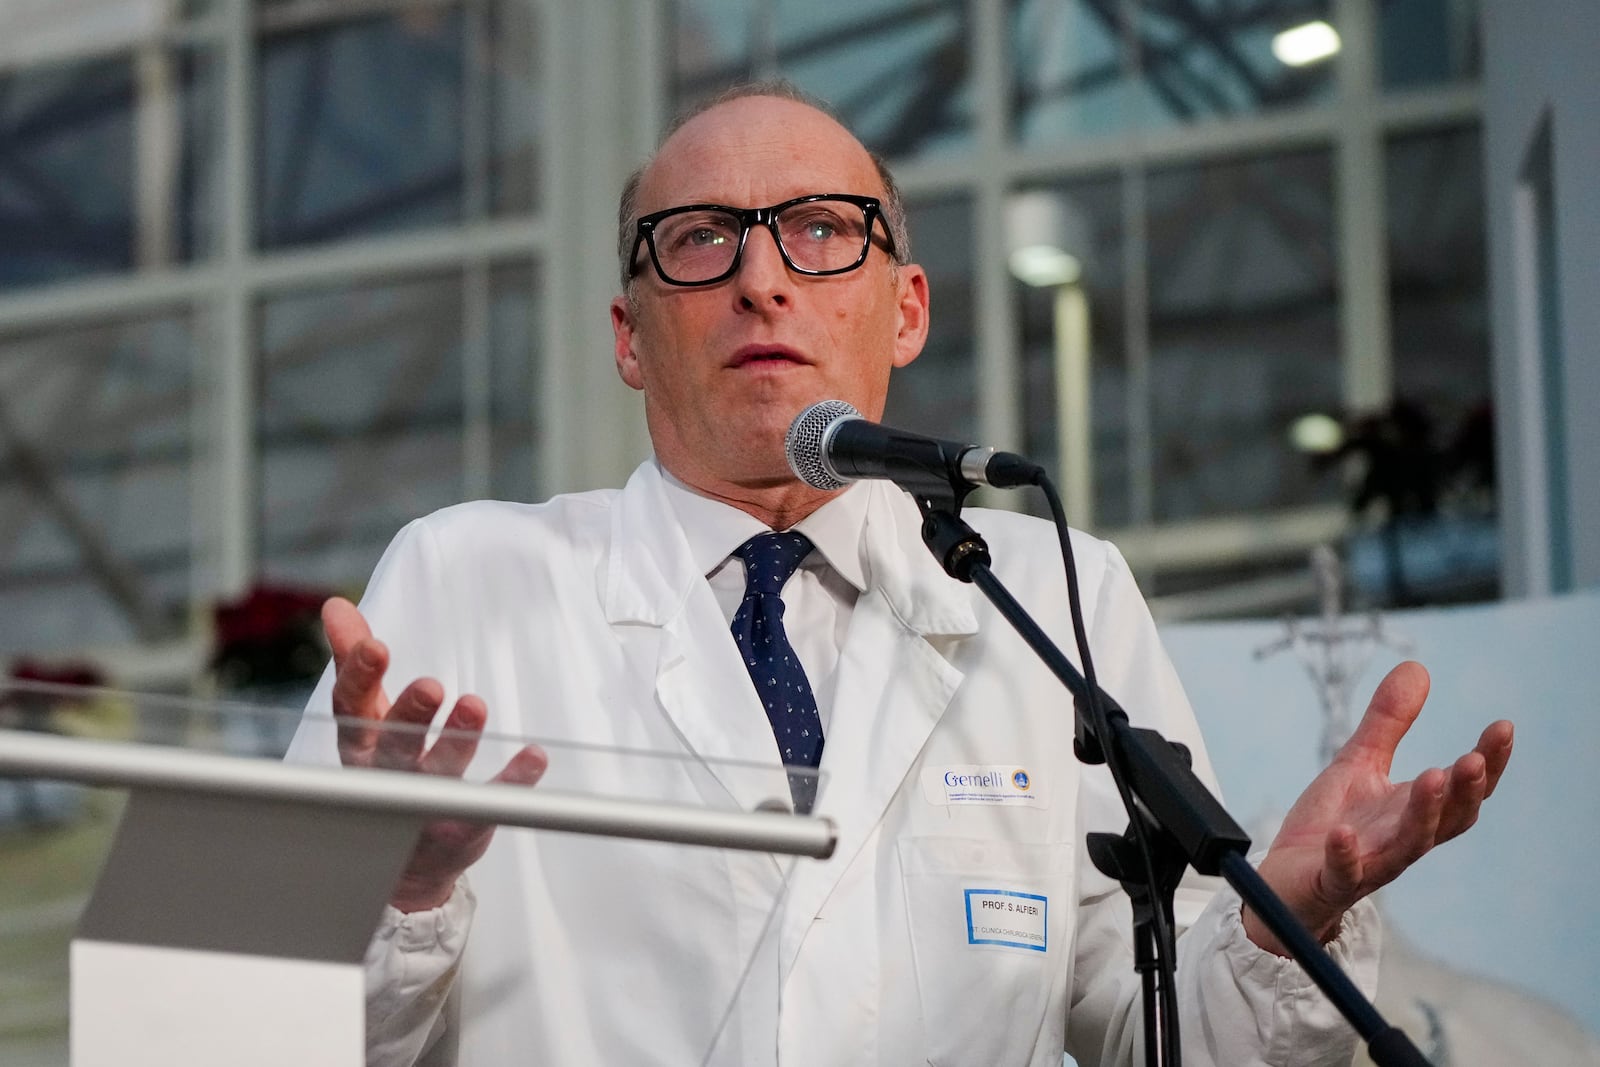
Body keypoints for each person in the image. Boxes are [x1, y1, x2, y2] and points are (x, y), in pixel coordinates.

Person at [293, 83, 1514, 1066]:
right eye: (701, 237)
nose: (760, 278)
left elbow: (1154, 1025)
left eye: (820, 231)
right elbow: (261, 1027)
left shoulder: (1053, 588)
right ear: (628, 333)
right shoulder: (467, 577)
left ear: (907, 310)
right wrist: (399, 890)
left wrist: (1268, 923)